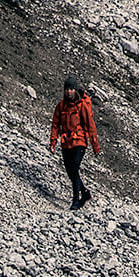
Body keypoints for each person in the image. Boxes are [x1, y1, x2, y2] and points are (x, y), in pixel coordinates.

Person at [49, 75, 100, 210]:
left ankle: (76, 199)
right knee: (71, 171)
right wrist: (53, 141)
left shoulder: (82, 106)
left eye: (71, 89)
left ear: (75, 90)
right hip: (66, 143)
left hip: (80, 141)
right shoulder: (60, 106)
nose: (69, 92)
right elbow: (55, 124)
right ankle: (85, 193)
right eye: (67, 89)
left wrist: (95, 146)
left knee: (74, 168)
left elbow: (90, 125)